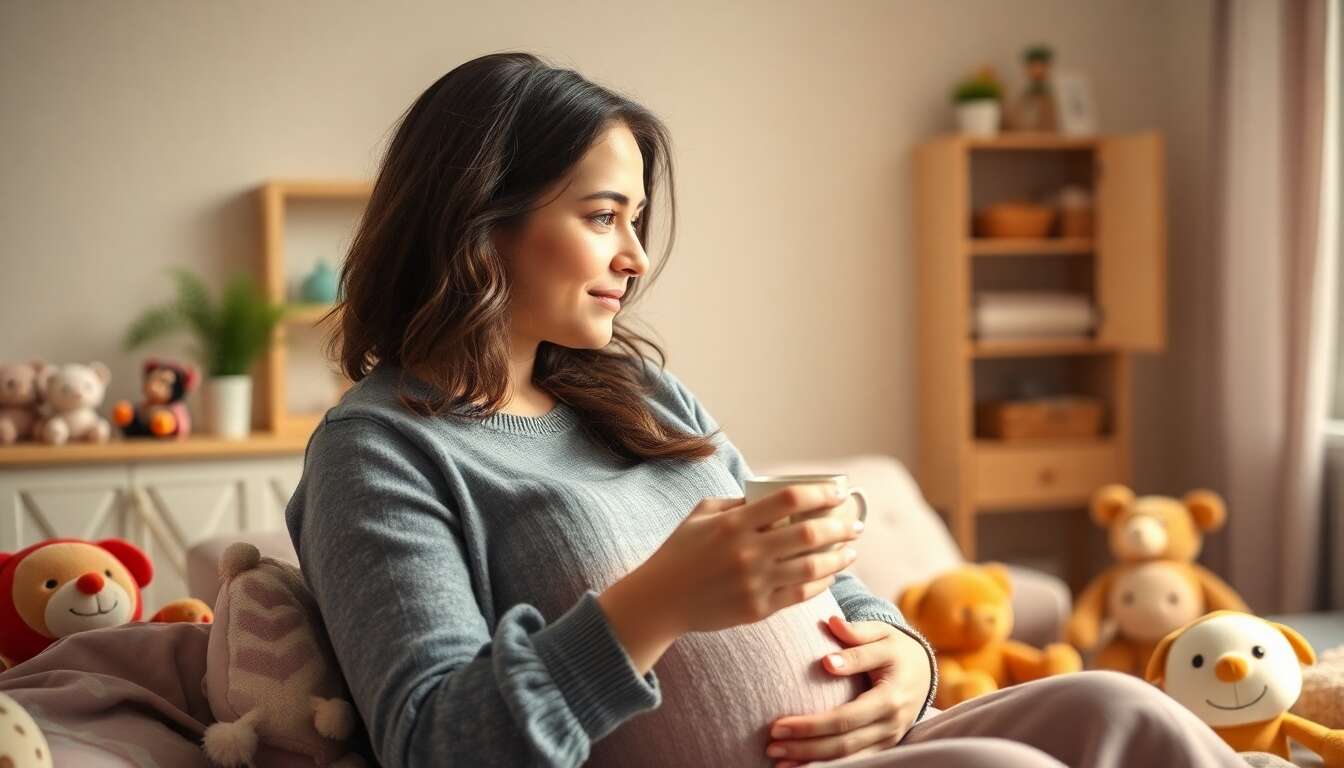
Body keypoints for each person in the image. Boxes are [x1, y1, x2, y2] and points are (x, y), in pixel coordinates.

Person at [286, 51, 1251, 768]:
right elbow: (433, 744)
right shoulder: (381, 450)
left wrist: (907, 664)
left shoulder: (641, 393)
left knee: (1123, 707)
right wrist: (654, 603)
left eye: (634, 219)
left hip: (869, 751)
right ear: (478, 220)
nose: (635, 256)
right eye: (601, 216)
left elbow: (843, 599)